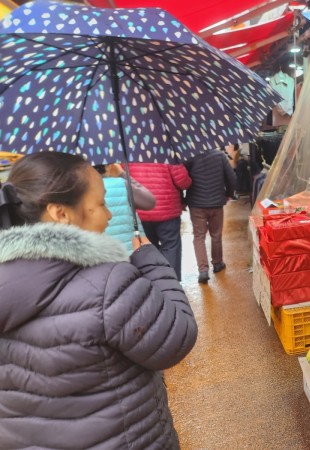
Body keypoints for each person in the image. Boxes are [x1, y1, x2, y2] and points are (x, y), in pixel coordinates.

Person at [0, 152, 198, 449]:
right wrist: (154, 265)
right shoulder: (107, 284)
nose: (108, 215)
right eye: (100, 204)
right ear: (60, 213)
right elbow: (176, 338)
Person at [127, 162, 192, 281]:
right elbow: (183, 181)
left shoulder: (127, 154)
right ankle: (172, 282)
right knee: (171, 246)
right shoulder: (166, 151)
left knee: (148, 249)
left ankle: (155, 282)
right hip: (168, 210)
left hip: (141, 210)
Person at [185, 147, 236, 284]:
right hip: (216, 203)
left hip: (196, 204)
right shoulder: (220, 156)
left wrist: (182, 199)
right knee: (216, 234)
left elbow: (182, 180)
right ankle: (218, 263)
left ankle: (203, 270)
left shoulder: (189, 156)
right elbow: (231, 177)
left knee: (199, 237)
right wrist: (229, 193)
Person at [96, 163, 156, 253]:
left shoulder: (82, 189)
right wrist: (122, 174)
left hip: (102, 252)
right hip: (131, 251)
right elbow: (149, 202)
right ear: (108, 167)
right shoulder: (121, 183)